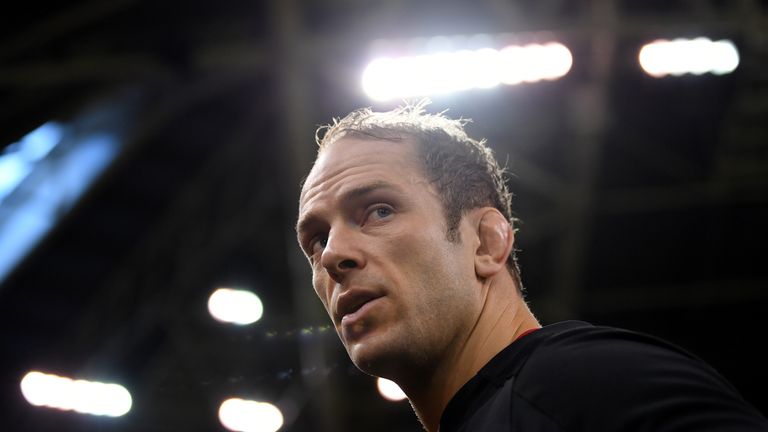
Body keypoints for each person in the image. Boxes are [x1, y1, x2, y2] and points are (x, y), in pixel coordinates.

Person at [295, 102, 768, 431]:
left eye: (378, 210)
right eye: (316, 240)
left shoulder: (581, 385)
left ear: (486, 242)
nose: (333, 255)